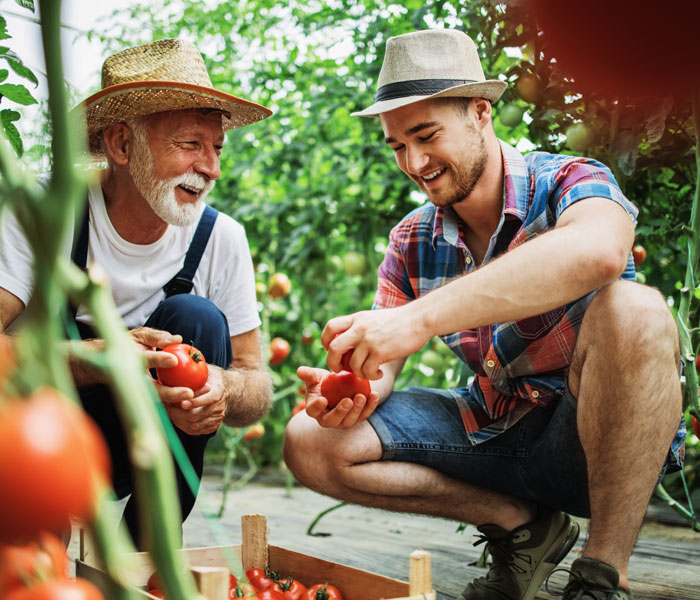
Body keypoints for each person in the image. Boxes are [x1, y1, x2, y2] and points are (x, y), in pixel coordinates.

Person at [283, 29, 685, 600]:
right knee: (309, 438)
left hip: (593, 445)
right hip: (493, 433)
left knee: (637, 307)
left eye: (425, 136)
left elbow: (599, 253)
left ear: (480, 113)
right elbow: (383, 366)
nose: (415, 163)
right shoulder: (410, 241)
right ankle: (520, 525)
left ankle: (601, 571)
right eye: (397, 146)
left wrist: (419, 319)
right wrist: (350, 386)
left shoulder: (572, 179)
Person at [0, 39, 274, 546]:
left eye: (217, 148)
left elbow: (255, 381)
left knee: (196, 318)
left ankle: (142, 559)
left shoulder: (220, 238)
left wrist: (222, 387)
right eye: (191, 145)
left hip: (147, 449)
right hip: (38, 444)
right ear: (121, 145)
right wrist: (98, 356)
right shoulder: (45, 211)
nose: (211, 168)